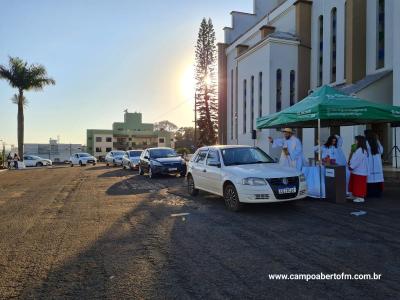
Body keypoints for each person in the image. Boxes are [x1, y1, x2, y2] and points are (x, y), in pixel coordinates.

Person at [348, 136, 369, 202]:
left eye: (356, 140)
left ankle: (360, 197)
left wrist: (351, 166)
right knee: (354, 184)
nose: (355, 142)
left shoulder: (360, 150)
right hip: (356, 170)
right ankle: (354, 195)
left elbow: (357, 160)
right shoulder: (360, 149)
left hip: (359, 171)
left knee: (359, 184)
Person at [365, 130, 384, 198]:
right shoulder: (377, 143)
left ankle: (369, 194)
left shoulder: (366, 143)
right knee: (377, 180)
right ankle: (377, 194)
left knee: (369, 180)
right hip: (377, 165)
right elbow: (381, 151)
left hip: (369, 164)